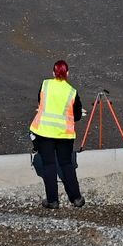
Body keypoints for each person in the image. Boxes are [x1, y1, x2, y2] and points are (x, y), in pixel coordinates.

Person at [28, 60, 86, 209]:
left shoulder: (45, 85)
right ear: (68, 73)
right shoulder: (72, 92)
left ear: (53, 73)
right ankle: (76, 198)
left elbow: (41, 103)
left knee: (49, 165)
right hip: (64, 134)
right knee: (67, 164)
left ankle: (52, 200)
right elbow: (77, 115)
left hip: (44, 132)